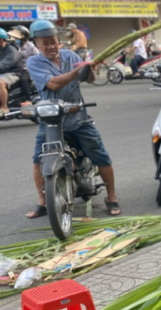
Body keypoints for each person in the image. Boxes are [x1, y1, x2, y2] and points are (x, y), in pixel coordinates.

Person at [25, 21, 120, 218]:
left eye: (53, 42)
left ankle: (111, 197)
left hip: (78, 117)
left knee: (101, 156)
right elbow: (52, 84)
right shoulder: (33, 62)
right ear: (37, 44)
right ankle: (43, 201)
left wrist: (91, 68)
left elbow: (90, 79)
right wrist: (78, 71)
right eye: (45, 43)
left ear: (59, 41)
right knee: (37, 160)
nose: (51, 46)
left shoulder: (72, 56)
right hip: (51, 120)